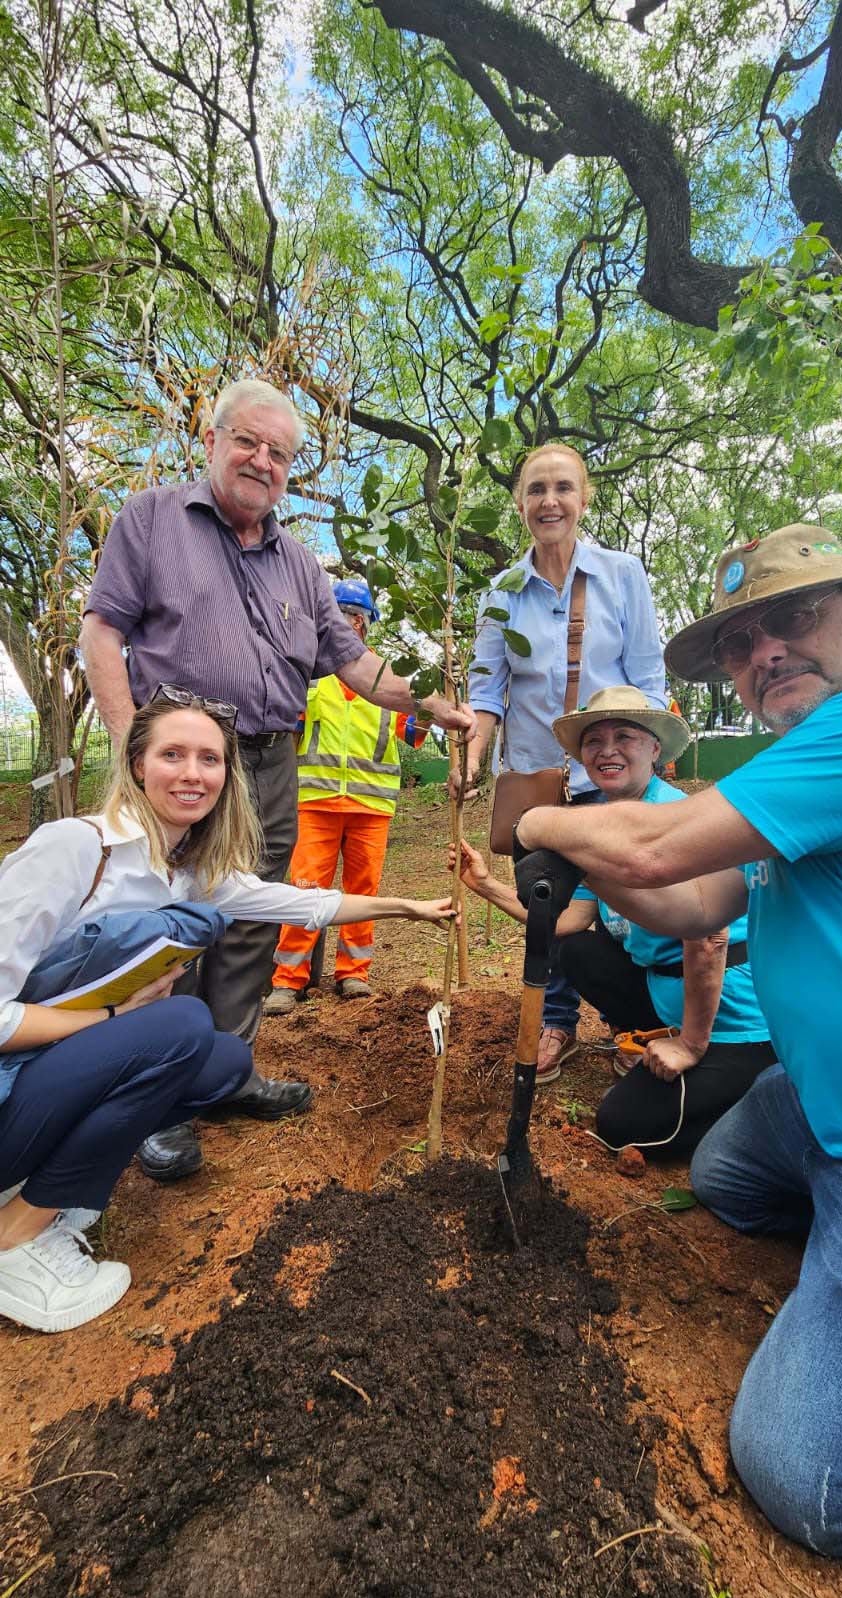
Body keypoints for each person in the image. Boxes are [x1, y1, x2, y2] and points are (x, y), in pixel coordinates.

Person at [511, 525, 842, 1558]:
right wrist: (593, 862)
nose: (765, 651)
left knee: (815, 1489)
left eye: (795, 617)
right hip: (820, 1104)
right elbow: (688, 904)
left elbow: (657, 847)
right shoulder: (800, 767)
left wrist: (541, 827)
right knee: (723, 1176)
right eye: (740, 641)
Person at [80, 377, 475, 1178]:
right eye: (248, 441)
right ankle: (158, 1098)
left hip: (269, 762)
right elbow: (101, 631)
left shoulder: (299, 564)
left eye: (280, 453)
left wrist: (435, 701)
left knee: (251, 920)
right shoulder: (151, 519)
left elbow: (356, 664)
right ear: (212, 440)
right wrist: (131, 748)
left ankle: (223, 1074)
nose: (263, 460)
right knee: (172, 923)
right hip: (183, 765)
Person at [0, 692, 457, 1334]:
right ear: (136, 764)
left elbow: (303, 905)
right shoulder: (76, 848)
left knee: (222, 1063)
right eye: (173, 755)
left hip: (49, 1080)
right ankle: (15, 1236)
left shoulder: (189, 870)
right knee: (182, 1026)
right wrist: (114, 1019)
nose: (193, 773)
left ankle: (51, 1190)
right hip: (12, 1084)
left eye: (209, 759)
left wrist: (406, 908)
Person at [453, 687, 774, 1153]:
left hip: (726, 1012)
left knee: (622, 1124)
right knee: (578, 951)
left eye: (624, 736)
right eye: (594, 741)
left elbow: (708, 937)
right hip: (665, 990)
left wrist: (690, 1044)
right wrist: (485, 885)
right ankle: (654, 1039)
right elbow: (567, 921)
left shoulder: (677, 819)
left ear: (655, 749)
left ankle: (763, 1095)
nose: (607, 751)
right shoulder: (599, 826)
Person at [451, 443, 665, 1083]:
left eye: (563, 488)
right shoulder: (503, 592)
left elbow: (647, 679)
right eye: (536, 489)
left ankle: (644, 1018)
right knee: (545, 900)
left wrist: (645, 765)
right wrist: (472, 757)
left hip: (610, 774)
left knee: (628, 901)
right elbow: (487, 689)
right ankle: (555, 1022)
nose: (550, 501)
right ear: (519, 503)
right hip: (536, 780)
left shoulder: (622, 575)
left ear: (584, 498)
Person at [264, 579, 429, 1010]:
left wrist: (437, 698)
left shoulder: (387, 682)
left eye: (355, 616)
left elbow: (414, 733)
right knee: (305, 891)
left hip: (371, 806)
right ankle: (288, 980)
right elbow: (288, 733)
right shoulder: (309, 678)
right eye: (341, 615)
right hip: (315, 803)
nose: (349, 623)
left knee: (363, 892)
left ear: (365, 624)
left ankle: (353, 973)